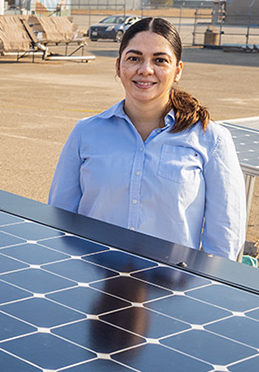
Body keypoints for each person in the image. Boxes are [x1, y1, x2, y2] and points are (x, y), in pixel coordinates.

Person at [49, 17, 246, 260]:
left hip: (170, 290)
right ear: (118, 66)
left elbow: (224, 240)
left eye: (160, 60)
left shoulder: (211, 140)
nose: (146, 70)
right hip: (95, 284)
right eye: (134, 58)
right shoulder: (85, 133)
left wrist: (203, 291)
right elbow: (60, 218)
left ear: (178, 71)